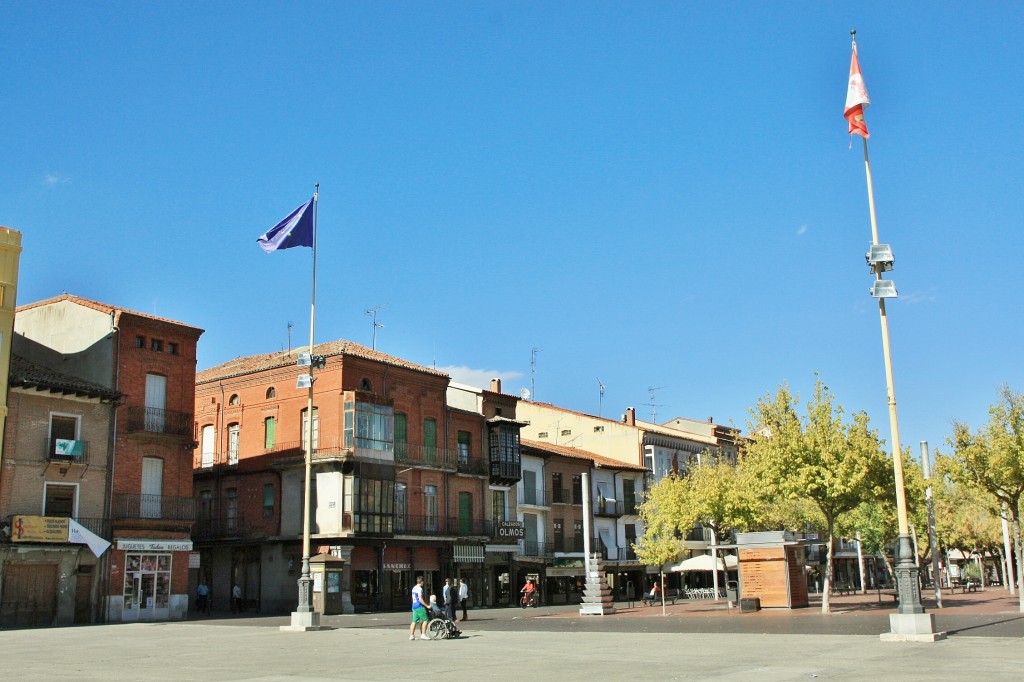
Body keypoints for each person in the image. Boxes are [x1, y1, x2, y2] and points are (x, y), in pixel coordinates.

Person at [409, 576, 430, 640]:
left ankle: (411, 635)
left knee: (414, 621)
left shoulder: (414, 588)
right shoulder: (419, 589)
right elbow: (420, 599)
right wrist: (427, 605)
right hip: (419, 606)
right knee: (426, 619)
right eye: (423, 582)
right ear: (422, 582)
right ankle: (423, 634)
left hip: (414, 606)